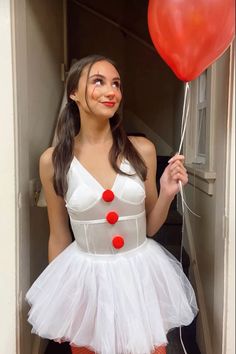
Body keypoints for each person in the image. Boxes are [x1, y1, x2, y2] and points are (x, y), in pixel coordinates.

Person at [25, 54, 198, 354]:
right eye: (98, 81)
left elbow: (151, 226)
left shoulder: (141, 150)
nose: (111, 91)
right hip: (87, 281)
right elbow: (59, 235)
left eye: (116, 83)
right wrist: (62, 299)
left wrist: (167, 191)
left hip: (139, 275)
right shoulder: (53, 161)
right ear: (73, 93)